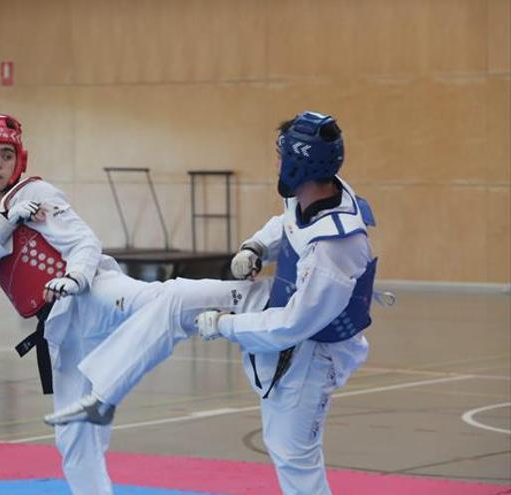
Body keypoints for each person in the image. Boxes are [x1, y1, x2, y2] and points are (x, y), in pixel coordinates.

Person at [49, 111, 377, 495]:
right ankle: (102, 397)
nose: (276, 163)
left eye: (281, 155)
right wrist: (256, 247)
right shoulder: (318, 192)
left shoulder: (337, 246)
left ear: (299, 161)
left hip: (310, 348)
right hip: (274, 302)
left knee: (294, 457)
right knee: (175, 299)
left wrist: (224, 325)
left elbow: (293, 324)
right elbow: (286, 222)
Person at [0, 114, 266, 495]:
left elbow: (85, 242)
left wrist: (76, 277)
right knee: (73, 434)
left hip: (95, 292)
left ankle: (252, 296)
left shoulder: (38, 194)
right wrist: (5, 220)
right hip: (60, 328)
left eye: (6, 154)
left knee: (159, 299)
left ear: (20, 161)